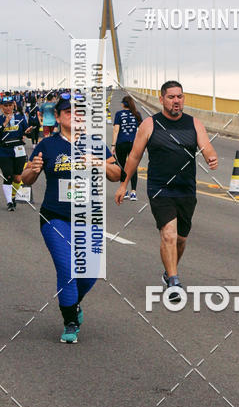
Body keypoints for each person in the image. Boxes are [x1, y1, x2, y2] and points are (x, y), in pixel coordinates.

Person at [21, 95, 121, 343]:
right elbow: (26, 179)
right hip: (55, 217)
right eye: (68, 112)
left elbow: (116, 173)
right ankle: (70, 323)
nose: (75, 116)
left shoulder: (95, 143)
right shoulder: (47, 145)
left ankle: (73, 304)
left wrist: (97, 162)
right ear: (57, 117)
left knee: (90, 273)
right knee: (67, 268)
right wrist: (32, 170)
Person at [115, 81, 218, 294]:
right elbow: (134, 156)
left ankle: (169, 272)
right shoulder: (150, 125)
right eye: (171, 97)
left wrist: (211, 157)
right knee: (169, 234)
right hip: (160, 189)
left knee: (180, 239)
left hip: (186, 189)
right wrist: (124, 184)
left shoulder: (194, 123)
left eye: (179, 96)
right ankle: (173, 281)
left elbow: (206, 146)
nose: (176, 101)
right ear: (162, 99)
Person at [0, 96, 33, 210]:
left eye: (10, 105)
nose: (8, 108)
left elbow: (27, 133)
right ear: (1, 107)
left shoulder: (20, 117)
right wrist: (4, 123)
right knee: (8, 176)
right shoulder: (0, 119)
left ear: (14, 105)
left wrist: (28, 132)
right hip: (4, 151)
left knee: (18, 178)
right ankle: (9, 202)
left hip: (19, 150)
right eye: (5, 105)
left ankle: (13, 196)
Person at [112, 95, 142, 200]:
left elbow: (116, 130)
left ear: (123, 104)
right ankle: (133, 192)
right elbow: (140, 131)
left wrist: (113, 145)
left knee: (122, 166)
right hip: (134, 144)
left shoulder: (119, 114)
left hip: (121, 143)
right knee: (133, 167)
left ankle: (123, 190)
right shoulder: (137, 114)